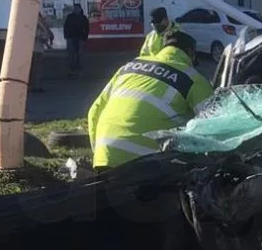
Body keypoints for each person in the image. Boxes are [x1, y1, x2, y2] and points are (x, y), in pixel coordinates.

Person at [87, 30, 213, 169]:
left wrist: (99, 153)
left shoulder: (128, 67)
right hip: (147, 166)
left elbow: (94, 111)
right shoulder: (192, 78)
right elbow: (213, 124)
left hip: (104, 159)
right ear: (191, 53)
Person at [62, 3, 90, 75]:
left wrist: (85, 37)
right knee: (71, 54)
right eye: (75, 9)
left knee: (79, 54)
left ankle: (79, 69)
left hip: (80, 37)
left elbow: (87, 28)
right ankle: (72, 69)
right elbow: (66, 27)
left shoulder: (83, 18)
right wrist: (66, 36)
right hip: (71, 37)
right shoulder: (70, 17)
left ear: (80, 9)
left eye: (77, 8)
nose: (76, 10)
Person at [30, 13, 54, 93]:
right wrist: (45, 37)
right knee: (37, 69)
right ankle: (35, 86)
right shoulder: (36, 24)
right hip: (36, 49)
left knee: (38, 69)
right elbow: (38, 35)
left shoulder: (40, 24)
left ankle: (37, 85)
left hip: (38, 49)